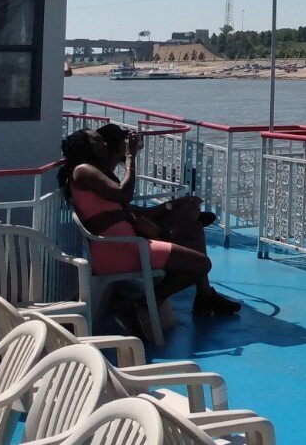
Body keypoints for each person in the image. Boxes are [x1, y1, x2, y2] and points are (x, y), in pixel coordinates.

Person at [60, 122, 240, 332]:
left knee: (193, 242)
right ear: (85, 146)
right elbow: (123, 193)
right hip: (121, 251)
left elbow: (120, 205)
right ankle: (143, 305)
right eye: (97, 140)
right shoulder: (83, 170)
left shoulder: (88, 171)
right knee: (201, 264)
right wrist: (130, 157)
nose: (103, 143)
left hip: (126, 245)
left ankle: (196, 297)